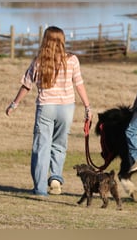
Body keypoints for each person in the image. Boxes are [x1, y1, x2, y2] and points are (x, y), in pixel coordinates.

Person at [6, 26, 92, 196]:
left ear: (45, 40)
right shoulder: (72, 60)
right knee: (59, 145)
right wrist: (88, 107)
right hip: (66, 108)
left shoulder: (39, 61)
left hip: (46, 107)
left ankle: (39, 188)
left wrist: (14, 104)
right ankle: (55, 178)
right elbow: (79, 84)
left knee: (41, 147)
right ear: (62, 40)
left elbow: (27, 85)